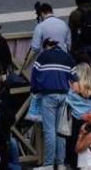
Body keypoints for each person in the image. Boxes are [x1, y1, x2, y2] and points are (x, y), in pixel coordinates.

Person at [31, 38, 72, 169]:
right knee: (61, 131)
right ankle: (60, 164)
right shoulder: (67, 57)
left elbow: (34, 75)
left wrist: (35, 90)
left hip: (48, 95)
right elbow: (75, 76)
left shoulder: (43, 56)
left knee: (49, 131)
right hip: (65, 95)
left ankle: (48, 164)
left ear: (46, 46)